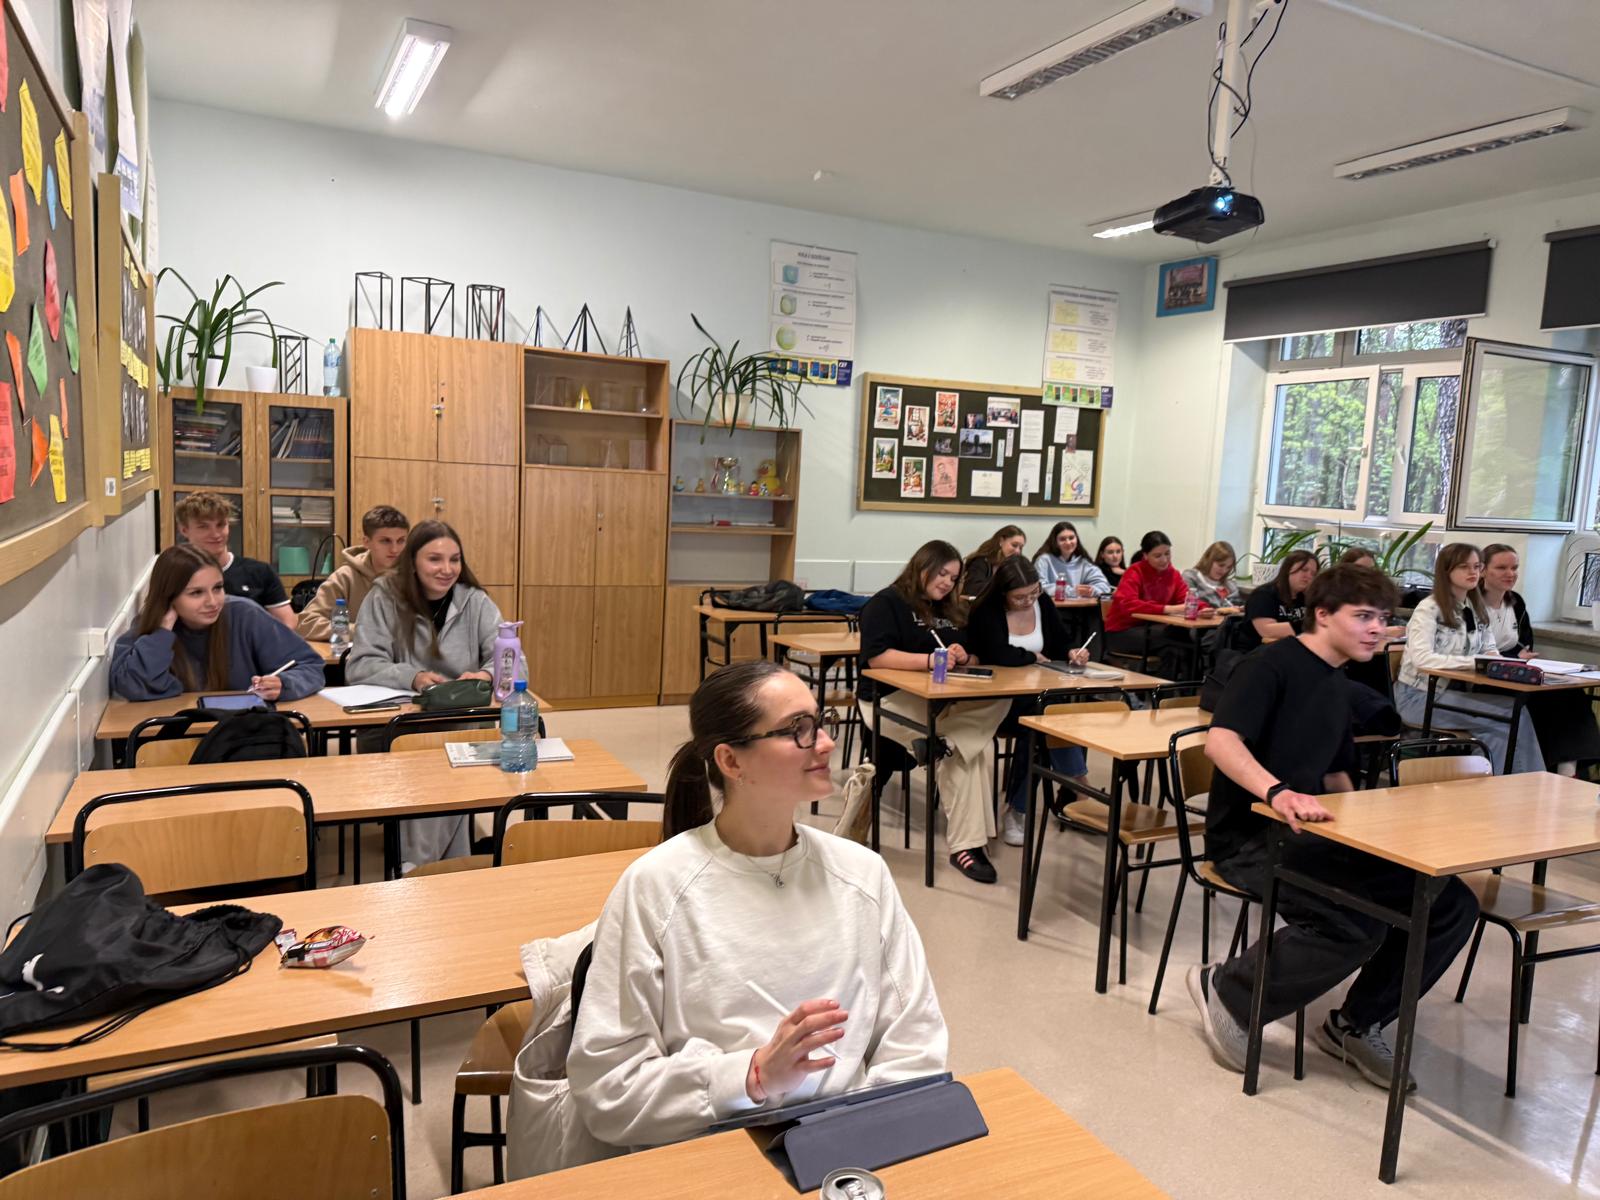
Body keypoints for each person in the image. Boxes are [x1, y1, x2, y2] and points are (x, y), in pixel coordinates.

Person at [566, 661, 947, 1148]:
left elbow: (916, 1042)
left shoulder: (862, 873)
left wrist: (861, 1138)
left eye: (820, 723)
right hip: (707, 1147)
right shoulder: (656, 886)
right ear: (731, 761)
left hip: (845, 1144)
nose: (826, 744)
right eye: (798, 730)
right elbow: (608, 1087)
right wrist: (752, 1076)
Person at [1187, 565, 1478, 1091]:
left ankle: (1355, 1024)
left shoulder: (1337, 682)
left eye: (1382, 618)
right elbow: (1220, 742)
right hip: (1251, 839)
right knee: (1353, 922)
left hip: (1316, 837)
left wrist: (1371, 832)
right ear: (1322, 615)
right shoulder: (1268, 666)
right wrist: (1277, 792)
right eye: (1363, 616)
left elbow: (1336, 775)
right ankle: (1228, 989)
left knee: (1449, 901)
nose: (1377, 629)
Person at [347, 519, 504, 867]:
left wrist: (484, 674)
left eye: (454, 559)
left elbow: (512, 661)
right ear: (413, 562)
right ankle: (434, 865)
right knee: (436, 762)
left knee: (451, 754)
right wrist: (413, 677)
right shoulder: (384, 597)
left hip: (461, 722)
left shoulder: (475, 601)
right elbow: (360, 665)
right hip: (400, 727)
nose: (447, 569)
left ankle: (421, 866)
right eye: (435, 559)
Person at [859, 540, 1010, 883]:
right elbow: (877, 658)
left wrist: (963, 655)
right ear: (922, 566)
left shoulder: (950, 609)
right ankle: (967, 848)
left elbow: (974, 654)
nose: (946, 583)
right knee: (973, 750)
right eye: (941, 573)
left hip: (939, 701)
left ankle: (948, 743)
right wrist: (929, 660)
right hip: (888, 699)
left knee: (1002, 700)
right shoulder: (886, 603)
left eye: (953, 578)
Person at [964, 556, 1092, 846]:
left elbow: (1060, 642)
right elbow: (996, 653)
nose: (1028, 601)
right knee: (1043, 719)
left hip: (1035, 698)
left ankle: (1019, 809)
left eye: (1033, 592)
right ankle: (1079, 788)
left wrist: (1072, 653)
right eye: (1020, 597)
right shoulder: (986, 609)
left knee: (1041, 723)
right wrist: (1031, 656)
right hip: (994, 700)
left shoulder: (1042, 603)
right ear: (1003, 593)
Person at [1392, 543, 1542, 774]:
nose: (1473, 572)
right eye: (1464, 567)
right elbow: (1423, 659)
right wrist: (1475, 664)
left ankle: (1508, 785)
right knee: (1508, 716)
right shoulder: (1429, 609)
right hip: (1418, 697)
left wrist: (1499, 663)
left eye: (1477, 566)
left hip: (1451, 695)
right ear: (1447, 571)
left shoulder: (1475, 607)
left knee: (1510, 717)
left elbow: (1489, 649)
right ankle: (1521, 783)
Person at [111, 544, 323, 701]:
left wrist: (284, 684)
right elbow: (129, 685)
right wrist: (162, 632)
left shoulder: (244, 614)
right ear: (168, 597)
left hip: (244, 731)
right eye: (196, 593)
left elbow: (310, 666)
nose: (213, 602)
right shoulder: (151, 626)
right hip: (174, 735)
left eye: (218, 588)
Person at [1478, 543, 1598, 773]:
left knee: (1571, 693)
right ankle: (1547, 770)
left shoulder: (1515, 601)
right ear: (1482, 570)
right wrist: (1512, 656)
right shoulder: (1471, 603)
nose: (1510, 574)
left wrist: (1515, 656)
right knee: (1542, 701)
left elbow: (1526, 644)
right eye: (1501, 568)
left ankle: (1569, 768)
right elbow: (1475, 649)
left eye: (1514, 568)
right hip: (1484, 676)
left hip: (1515, 670)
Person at [174, 491, 296, 629]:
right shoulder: (174, 574)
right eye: (203, 526)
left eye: (221, 525)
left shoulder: (260, 572)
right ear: (184, 530)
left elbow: (287, 623)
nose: (215, 534)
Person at [297, 505, 410, 640]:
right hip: (359, 651)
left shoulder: (415, 576)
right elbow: (307, 623)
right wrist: (360, 631)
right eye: (385, 541)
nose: (395, 549)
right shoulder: (345, 577)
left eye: (401, 541)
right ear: (366, 542)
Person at [1103, 531, 1202, 677]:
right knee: (1178, 635)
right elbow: (1129, 604)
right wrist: (1168, 609)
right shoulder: (1134, 572)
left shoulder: (1173, 574)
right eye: (1158, 556)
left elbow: (1186, 598)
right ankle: (1190, 685)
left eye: (1167, 553)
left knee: (1173, 649)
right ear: (1145, 555)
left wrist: (1204, 609)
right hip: (1123, 632)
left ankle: (1168, 689)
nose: (1164, 560)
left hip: (1156, 632)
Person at [1239, 550, 1318, 651]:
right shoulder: (1263, 594)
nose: (1309, 576)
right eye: (1304, 570)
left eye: (1313, 574)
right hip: (1257, 653)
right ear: (1288, 569)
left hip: (1290, 649)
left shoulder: (1305, 598)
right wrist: (1311, 626)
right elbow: (1267, 631)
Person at [1032, 521, 1111, 597]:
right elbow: (1038, 588)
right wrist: (1072, 591)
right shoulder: (1044, 560)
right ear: (1055, 542)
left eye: (1071, 538)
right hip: (1052, 605)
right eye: (1062, 539)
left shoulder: (1083, 561)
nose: (1068, 542)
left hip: (1080, 605)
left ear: (1077, 539)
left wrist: (1091, 590)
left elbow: (1105, 586)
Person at [959, 525, 1025, 599]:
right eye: (1014, 545)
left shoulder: (1014, 566)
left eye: (1020, 548)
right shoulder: (980, 561)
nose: (1017, 551)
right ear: (1001, 541)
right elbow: (972, 588)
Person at [1182, 542, 1243, 611]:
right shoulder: (1191, 576)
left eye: (1228, 567)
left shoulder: (1230, 585)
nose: (1224, 571)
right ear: (1208, 559)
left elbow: (1238, 605)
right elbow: (1189, 604)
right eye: (1221, 565)